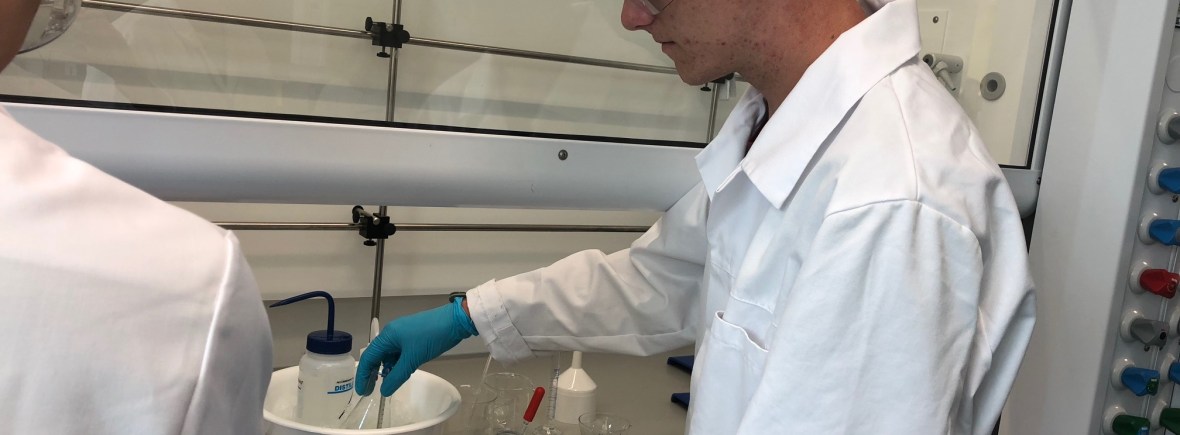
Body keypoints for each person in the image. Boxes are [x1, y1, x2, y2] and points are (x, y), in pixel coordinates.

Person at [357, 0, 1036, 433]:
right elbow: (663, 279)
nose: (633, 16)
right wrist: (471, 316)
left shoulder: (890, 199)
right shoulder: (784, 122)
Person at [0, 1, 273, 433]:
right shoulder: (138, 32)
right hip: (143, 225)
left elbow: (251, 136)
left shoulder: (249, 39)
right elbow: (126, 127)